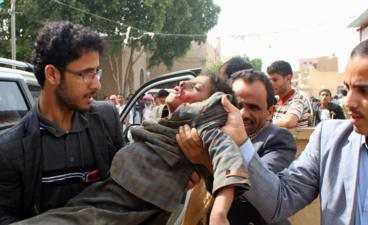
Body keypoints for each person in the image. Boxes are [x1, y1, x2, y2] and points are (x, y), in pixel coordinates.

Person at [190, 33, 368, 225]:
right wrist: (241, 144)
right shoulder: (329, 139)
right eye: (348, 88)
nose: (348, 102)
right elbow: (280, 201)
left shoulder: (278, 138)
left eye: (365, 90)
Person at [14, 73, 250, 225]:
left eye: (195, 87)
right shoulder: (168, 122)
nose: (181, 84)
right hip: (109, 190)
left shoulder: (200, 130)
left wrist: (219, 213)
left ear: (207, 106)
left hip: (127, 206)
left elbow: (227, 157)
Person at [0, 21, 125, 224]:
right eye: (86, 73)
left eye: (97, 72)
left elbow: (127, 179)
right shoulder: (10, 150)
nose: (97, 84)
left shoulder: (107, 120)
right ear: (52, 74)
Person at [177, 69, 296, 225]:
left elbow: (256, 192)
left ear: (269, 112)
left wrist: (205, 161)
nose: (242, 113)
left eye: (253, 107)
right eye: (236, 105)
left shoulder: (278, 139)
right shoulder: (211, 132)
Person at [267, 60, 311, 128]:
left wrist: (262, 125)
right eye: (269, 80)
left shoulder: (298, 99)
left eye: (275, 80)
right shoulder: (278, 100)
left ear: (288, 78)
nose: (271, 84)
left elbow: (289, 122)